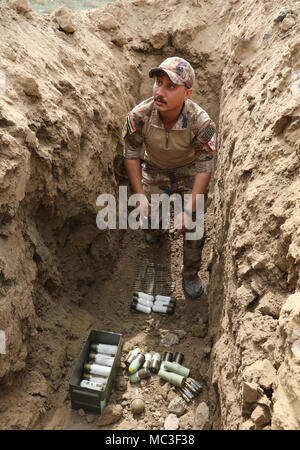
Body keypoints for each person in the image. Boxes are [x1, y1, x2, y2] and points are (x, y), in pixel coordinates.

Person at [122, 56, 216, 299]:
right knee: (151, 218)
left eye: (170, 86)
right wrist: (140, 196)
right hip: (154, 169)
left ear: (187, 93)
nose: (160, 91)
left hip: (189, 172)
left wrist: (187, 211)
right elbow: (131, 153)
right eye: (158, 83)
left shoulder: (200, 122)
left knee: (194, 223)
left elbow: (205, 167)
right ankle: (156, 231)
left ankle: (190, 274)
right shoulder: (140, 116)